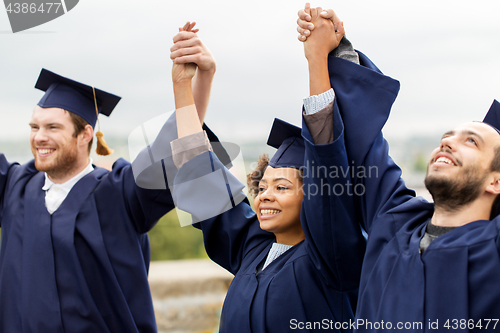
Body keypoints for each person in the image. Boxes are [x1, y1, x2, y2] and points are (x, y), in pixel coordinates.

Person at [0, 23, 220, 332]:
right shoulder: (14, 187)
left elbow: (180, 147)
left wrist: (193, 83)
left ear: (85, 134)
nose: (39, 137)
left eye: (52, 127)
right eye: (34, 127)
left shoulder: (119, 195)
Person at [298, 4, 500, 332]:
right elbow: (362, 143)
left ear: (496, 181)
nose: (447, 142)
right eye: (447, 136)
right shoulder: (394, 224)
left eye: (471, 141)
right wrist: (328, 55)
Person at [168, 10, 368, 333]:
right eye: (262, 187)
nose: (265, 196)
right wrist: (182, 85)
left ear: (315, 195)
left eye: (282, 188)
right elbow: (199, 173)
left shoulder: (332, 261)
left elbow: (328, 159)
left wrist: (317, 59)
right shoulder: (253, 246)